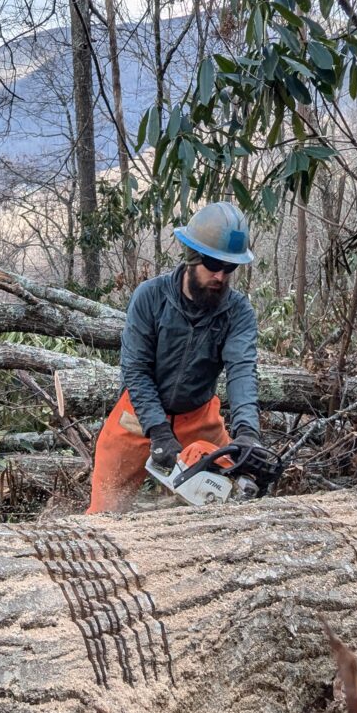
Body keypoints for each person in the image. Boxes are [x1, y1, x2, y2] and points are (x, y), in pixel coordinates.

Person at [87, 201, 262, 514]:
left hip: (199, 417)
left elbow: (242, 371)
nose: (220, 276)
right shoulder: (151, 297)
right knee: (105, 510)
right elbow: (135, 368)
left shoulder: (237, 312)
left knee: (226, 504)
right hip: (138, 416)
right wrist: (158, 429)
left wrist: (248, 433)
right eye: (213, 264)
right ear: (193, 257)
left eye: (229, 268)